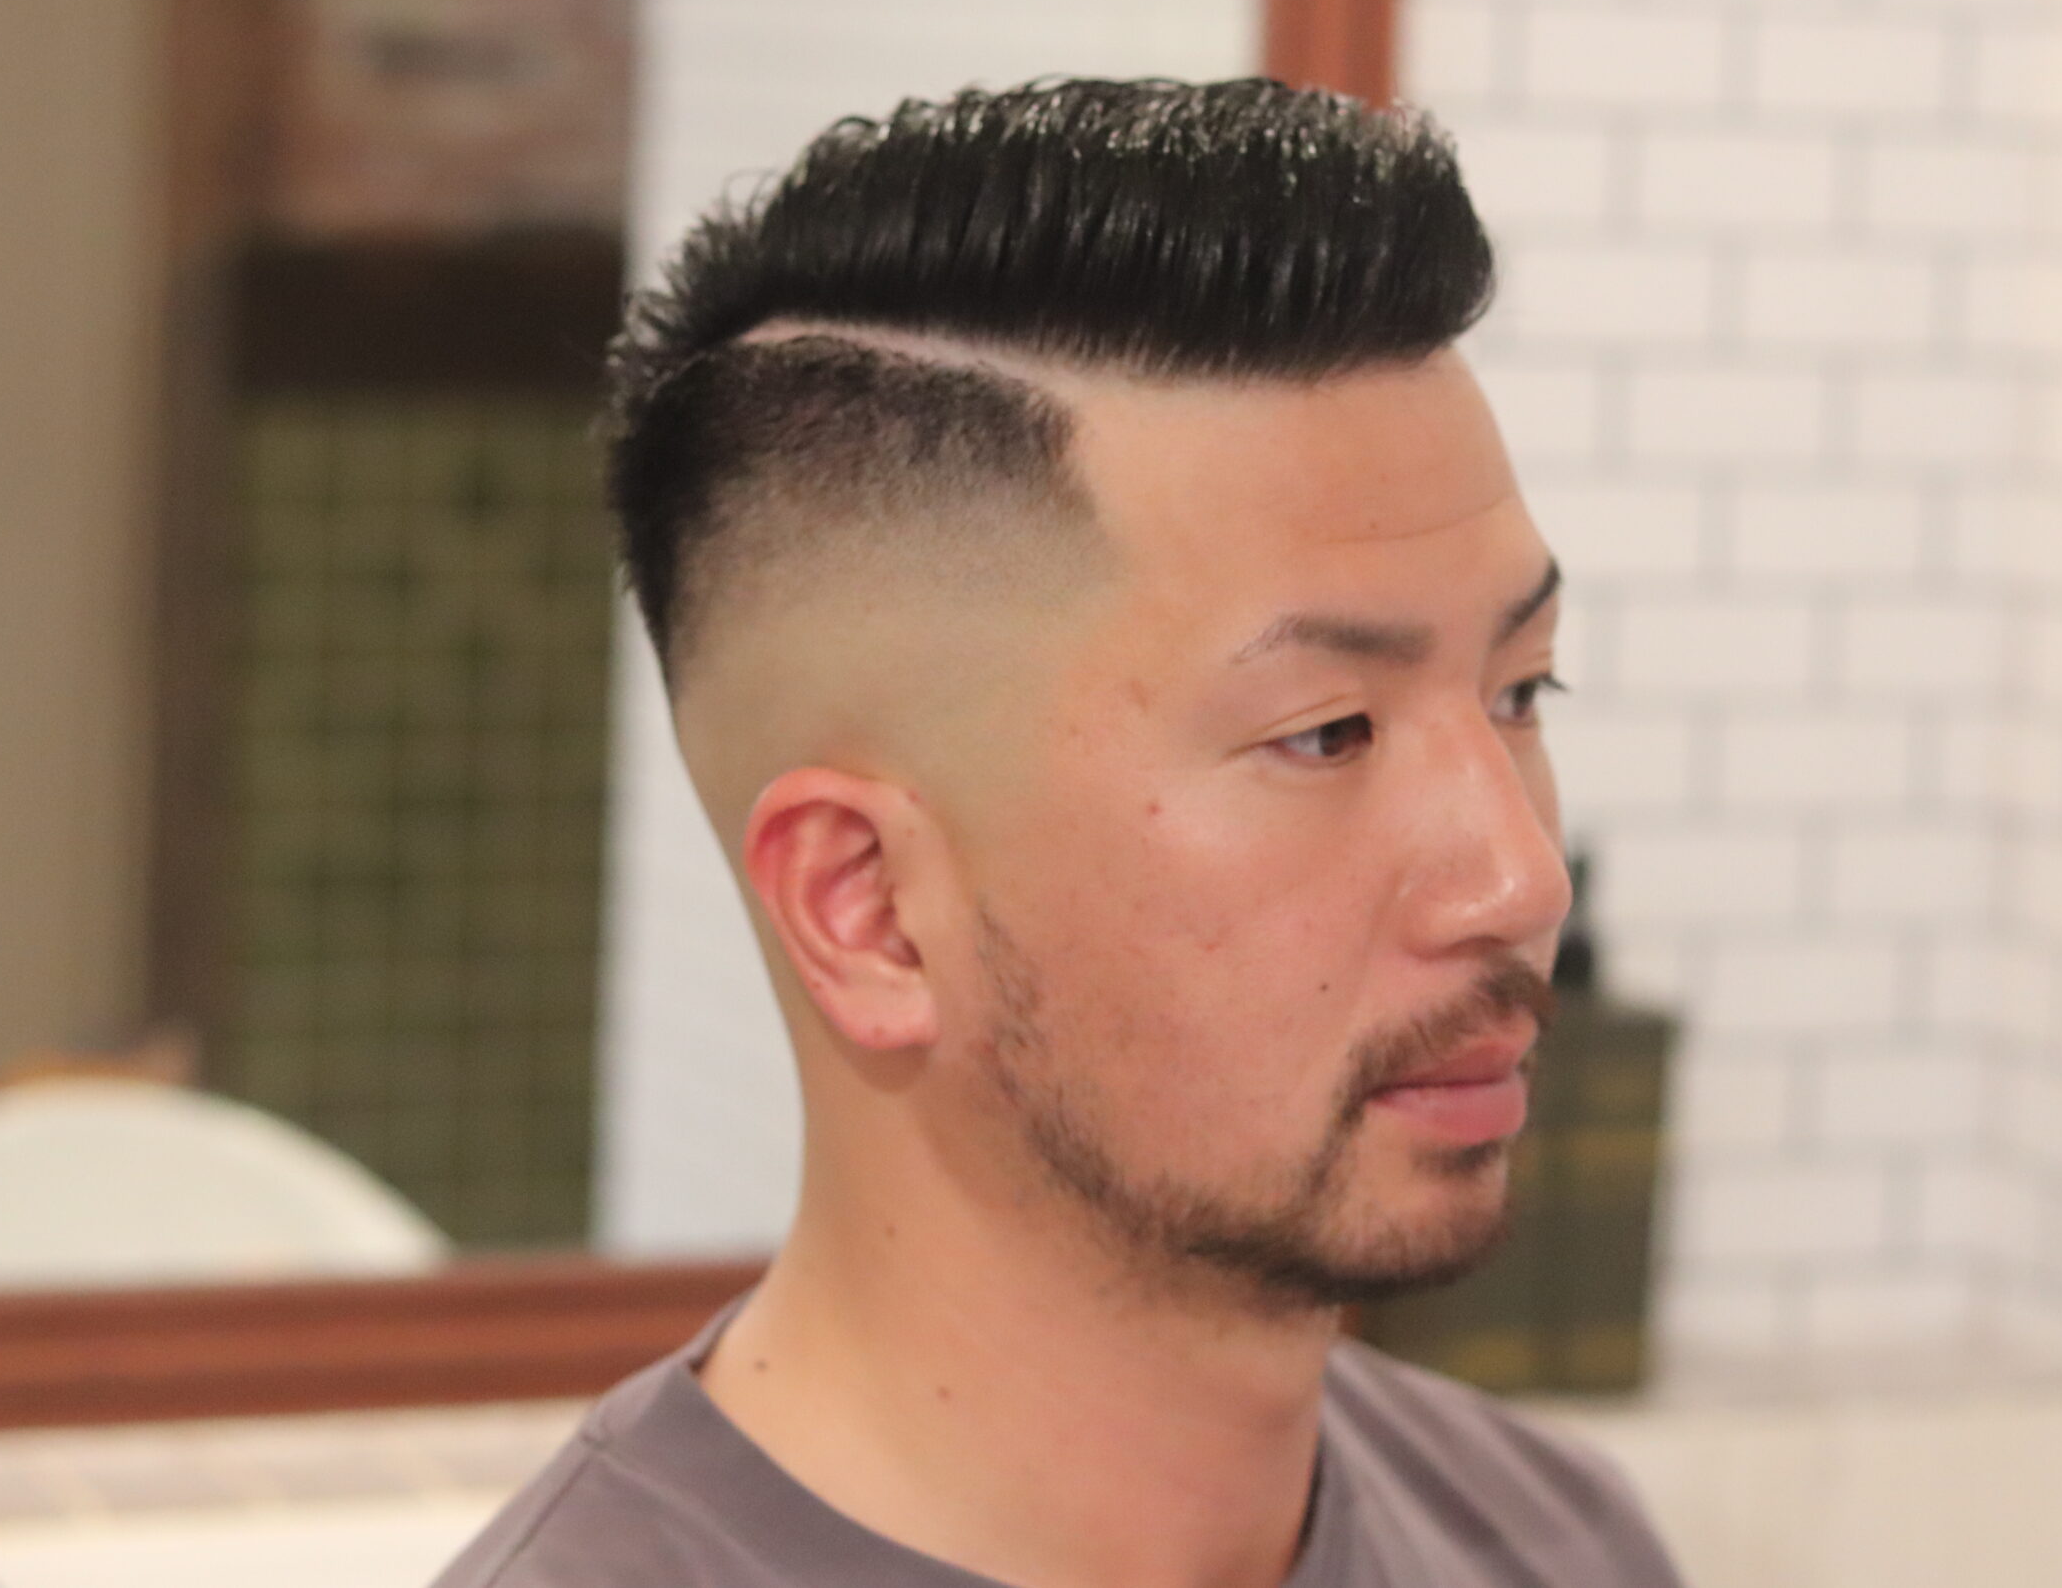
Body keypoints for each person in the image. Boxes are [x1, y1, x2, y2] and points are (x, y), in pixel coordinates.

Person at [435, 78, 1683, 1588]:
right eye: (1326, 734)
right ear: (868, 910)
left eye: (1519, 692)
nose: (1518, 880)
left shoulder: (1556, 1539)